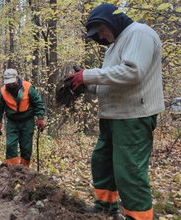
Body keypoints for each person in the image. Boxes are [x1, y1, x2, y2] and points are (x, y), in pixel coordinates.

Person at [66, 3, 165, 220]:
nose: (101, 35)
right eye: (97, 33)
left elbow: (132, 72)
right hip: (112, 115)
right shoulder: (114, 46)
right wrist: (84, 84)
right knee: (102, 161)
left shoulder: (139, 33)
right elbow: (110, 81)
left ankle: (138, 216)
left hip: (133, 116)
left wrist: (88, 75)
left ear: (113, 20)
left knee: (128, 170)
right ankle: (105, 206)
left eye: (101, 29)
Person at [0, 68, 45, 167]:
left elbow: (38, 103)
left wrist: (40, 118)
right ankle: (12, 170)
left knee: (26, 147)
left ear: (17, 78)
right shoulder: (3, 91)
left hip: (27, 121)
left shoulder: (28, 87)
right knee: (10, 145)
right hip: (12, 122)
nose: (10, 84)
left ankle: (24, 170)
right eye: (8, 83)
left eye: (12, 82)